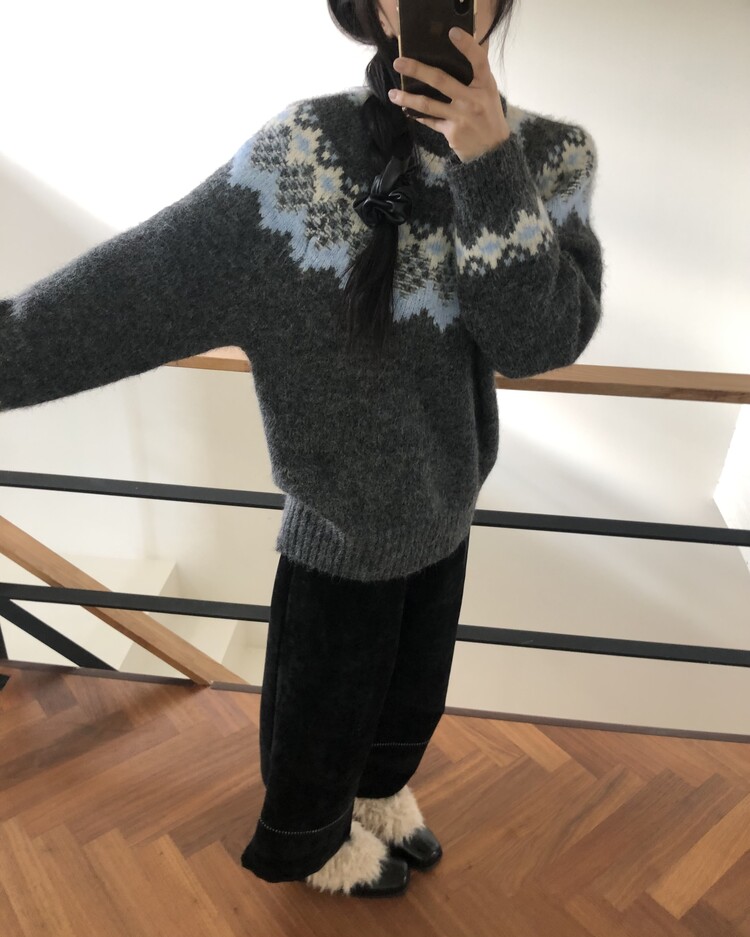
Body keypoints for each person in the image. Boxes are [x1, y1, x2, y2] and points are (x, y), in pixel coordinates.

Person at [0, 0, 604, 899]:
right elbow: (134, 287)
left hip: (448, 505)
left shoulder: (552, 158)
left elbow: (534, 340)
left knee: (412, 698)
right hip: (337, 532)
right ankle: (313, 841)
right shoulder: (301, 158)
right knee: (321, 721)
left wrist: (488, 160)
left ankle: (378, 796)